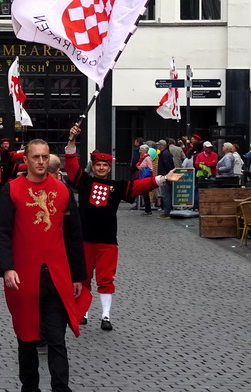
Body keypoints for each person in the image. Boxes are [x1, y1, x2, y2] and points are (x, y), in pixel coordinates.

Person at [0, 138, 90, 392]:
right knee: (27, 338)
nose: (40, 162)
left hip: (56, 276)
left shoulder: (62, 191)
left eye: (45, 157)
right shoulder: (11, 190)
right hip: (23, 276)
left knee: (56, 340)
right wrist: (7, 268)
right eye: (35, 156)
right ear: (26, 158)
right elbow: (1, 232)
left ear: (50, 159)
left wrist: (78, 276)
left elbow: (74, 236)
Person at [65, 123, 178, 330]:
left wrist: (162, 179)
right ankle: (84, 312)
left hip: (107, 240)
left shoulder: (117, 187)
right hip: (84, 238)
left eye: (105, 165)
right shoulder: (84, 182)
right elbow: (71, 165)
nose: (101, 168)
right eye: (98, 165)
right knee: (82, 276)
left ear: (109, 168)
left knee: (106, 279)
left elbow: (138, 186)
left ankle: (106, 316)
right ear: (94, 166)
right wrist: (72, 140)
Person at [135, 144, 154, 214]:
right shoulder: (143, 157)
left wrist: (142, 168)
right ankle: (147, 209)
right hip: (142, 176)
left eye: (141, 150)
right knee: (144, 194)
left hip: (145, 178)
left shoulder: (147, 158)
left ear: (145, 151)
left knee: (145, 194)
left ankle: (148, 210)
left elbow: (151, 168)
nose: (140, 151)